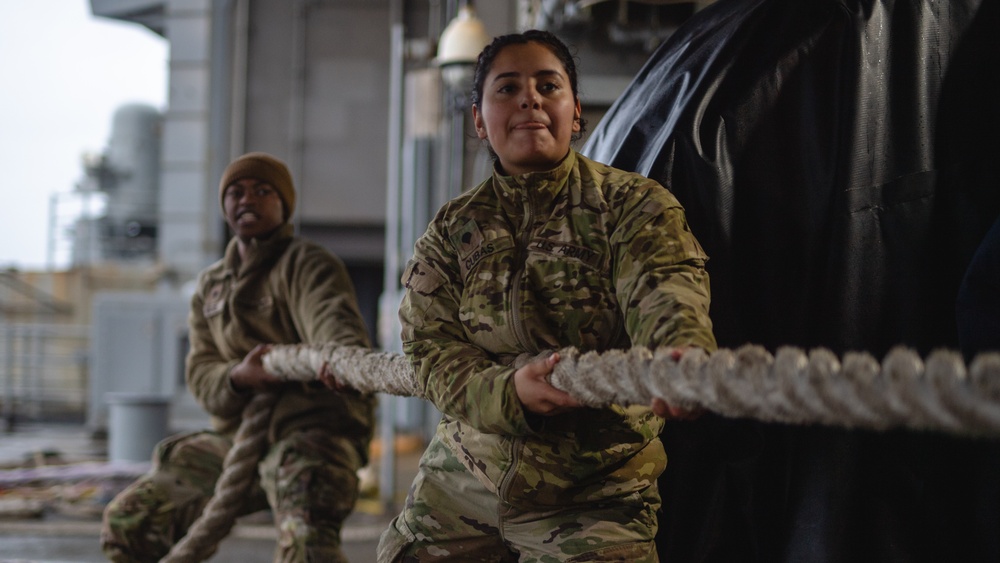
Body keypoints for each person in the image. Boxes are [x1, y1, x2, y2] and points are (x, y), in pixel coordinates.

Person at [377, 30, 716, 562]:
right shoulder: (454, 228)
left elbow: (666, 293)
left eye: (547, 85)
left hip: (593, 492)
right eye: (507, 88)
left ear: (575, 112)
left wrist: (678, 357)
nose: (529, 98)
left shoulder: (632, 206)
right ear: (479, 121)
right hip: (463, 478)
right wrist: (509, 392)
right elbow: (430, 352)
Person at [100, 152, 376, 562]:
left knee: (305, 539)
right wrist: (239, 376)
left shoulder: (307, 264)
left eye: (262, 191)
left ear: (284, 205)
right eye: (236, 192)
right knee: (131, 517)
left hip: (313, 430)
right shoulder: (211, 285)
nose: (247, 200)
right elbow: (202, 373)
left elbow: (332, 326)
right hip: (237, 439)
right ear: (224, 205)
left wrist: (337, 360)